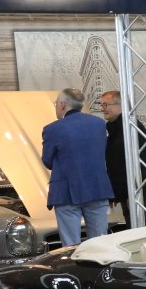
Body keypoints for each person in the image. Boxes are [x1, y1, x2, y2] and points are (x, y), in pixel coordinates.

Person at [42, 87, 113, 247]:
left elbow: (47, 161)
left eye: (56, 103)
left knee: (70, 247)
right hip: (97, 189)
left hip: (66, 193)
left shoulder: (52, 129)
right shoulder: (100, 124)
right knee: (100, 244)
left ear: (62, 105)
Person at [98, 90, 146, 225]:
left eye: (106, 105)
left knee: (139, 226)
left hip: (137, 187)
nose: (102, 109)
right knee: (134, 224)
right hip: (131, 188)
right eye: (101, 105)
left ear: (120, 106)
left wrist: (120, 192)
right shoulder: (118, 127)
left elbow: (123, 163)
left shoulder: (128, 127)